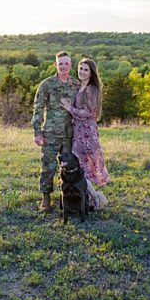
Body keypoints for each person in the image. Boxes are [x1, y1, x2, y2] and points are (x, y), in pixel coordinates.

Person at [32, 51, 79, 213]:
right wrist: (37, 132)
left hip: (69, 134)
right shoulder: (47, 84)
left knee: (68, 167)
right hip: (50, 133)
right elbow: (37, 108)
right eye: (60, 64)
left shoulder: (76, 85)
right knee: (48, 166)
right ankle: (45, 198)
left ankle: (66, 197)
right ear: (55, 65)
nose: (63, 66)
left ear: (71, 65)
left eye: (66, 63)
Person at [60, 58, 109, 210]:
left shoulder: (91, 89)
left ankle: (97, 199)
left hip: (86, 132)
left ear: (92, 73)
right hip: (79, 131)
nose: (82, 72)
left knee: (82, 168)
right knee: (82, 167)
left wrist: (70, 109)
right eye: (80, 68)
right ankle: (90, 199)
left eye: (86, 69)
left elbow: (89, 113)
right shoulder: (80, 86)